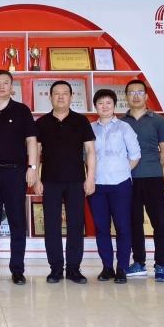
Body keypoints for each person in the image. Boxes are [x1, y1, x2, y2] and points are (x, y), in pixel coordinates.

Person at [0, 70, 38, 286]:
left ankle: (17, 269)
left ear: (12, 87)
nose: (1, 86)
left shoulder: (22, 110)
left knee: (17, 222)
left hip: (15, 173)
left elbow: (31, 141)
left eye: (5, 83)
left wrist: (32, 167)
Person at [33, 80, 96, 284]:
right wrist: (36, 178)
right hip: (49, 181)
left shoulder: (81, 121)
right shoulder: (41, 123)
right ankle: (56, 269)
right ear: (50, 97)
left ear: (71, 97)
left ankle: (74, 269)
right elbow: (36, 153)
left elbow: (90, 151)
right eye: (56, 94)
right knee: (51, 225)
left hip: (76, 181)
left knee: (76, 225)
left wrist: (90, 178)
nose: (60, 97)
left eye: (65, 93)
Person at [87, 89, 141, 284]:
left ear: (114, 105)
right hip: (96, 186)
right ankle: (107, 267)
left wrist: (121, 170)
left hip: (120, 185)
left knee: (122, 227)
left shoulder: (124, 127)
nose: (104, 106)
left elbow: (135, 154)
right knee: (101, 228)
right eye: (100, 103)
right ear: (95, 106)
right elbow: (85, 155)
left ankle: (122, 268)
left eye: (108, 103)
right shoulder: (89, 128)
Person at [119, 79, 164, 282]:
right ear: (126, 97)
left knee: (159, 222)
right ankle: (139, 262)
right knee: (134, 222)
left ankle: (161, 265)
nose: (136, 96)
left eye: (140, 92)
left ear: (146, 96)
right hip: (128, 179)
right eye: (131, 92)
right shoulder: (121, 122)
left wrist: (152, 166)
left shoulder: (158, 121)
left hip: (152, 178)